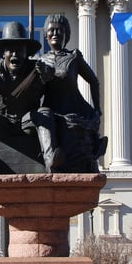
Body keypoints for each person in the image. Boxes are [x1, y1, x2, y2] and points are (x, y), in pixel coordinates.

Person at [0, 21, 56, 173]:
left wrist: (45, 72)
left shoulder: (35, 68)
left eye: (19, 50)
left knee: (45, 113)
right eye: (10, 50)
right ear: (3, 53)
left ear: (26, 53)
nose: (15, 54)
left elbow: (49, 76)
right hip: (3, 123)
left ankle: (50, 159)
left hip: (27, 122)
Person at [38, 14, 107, 172]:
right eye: (51, 30)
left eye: (59, 31)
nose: (55, 33)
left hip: (74, 108)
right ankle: (51, 159)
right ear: (46, 36)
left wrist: (97, 109)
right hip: (51, 110)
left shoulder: (74, 57)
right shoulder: (40, 61)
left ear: (66, 35)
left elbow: (93, 81)